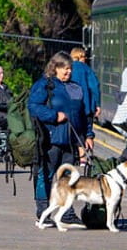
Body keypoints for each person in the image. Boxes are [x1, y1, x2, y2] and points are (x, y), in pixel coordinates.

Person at [27, 52, 94, 221]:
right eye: (65, 69)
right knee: (46, 173)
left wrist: (88, 135)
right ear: (55, 68)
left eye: (70, 69)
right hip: (50, 138)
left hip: (71, 140)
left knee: (69, 177)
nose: (68, 72)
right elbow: (34, 107)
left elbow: (84, 114)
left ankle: (67, 212)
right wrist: (54, 116)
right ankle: (43, 209)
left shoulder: (76, 88)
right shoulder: (44, 85)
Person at [69, 45, 101, 119]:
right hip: (86, 106)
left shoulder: (67, 68)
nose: (85, 58)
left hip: (70, 106)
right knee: (87, 129)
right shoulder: (87, 69)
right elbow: (94, 86)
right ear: (80, 56)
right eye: (84, 57)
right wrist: (98, 104)